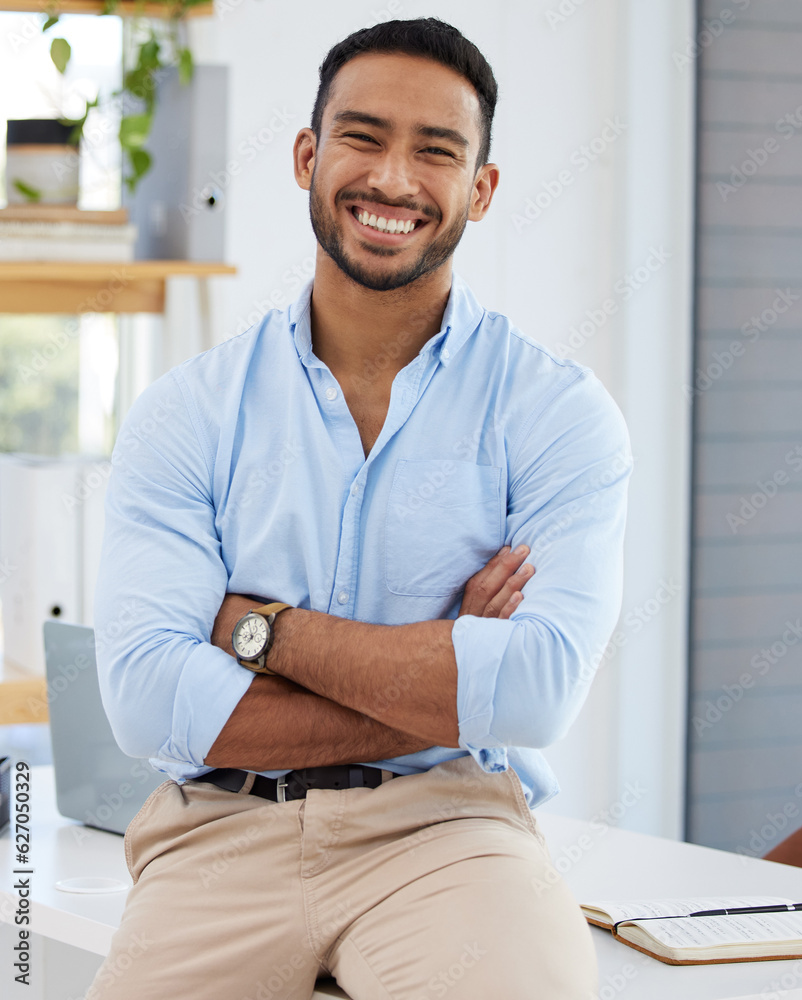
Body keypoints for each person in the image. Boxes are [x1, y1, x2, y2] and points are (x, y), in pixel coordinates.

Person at [87, 17, 630, 1000]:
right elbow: (147, 698)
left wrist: (259, 631)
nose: (392, 179)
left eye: (437, 151)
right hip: (218, 832)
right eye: (363, 137)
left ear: (482, 189)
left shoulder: (557, 412)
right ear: (307, 156)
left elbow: (539, 690)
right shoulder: (186, 411)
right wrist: (446, 666)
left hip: (447, 830)